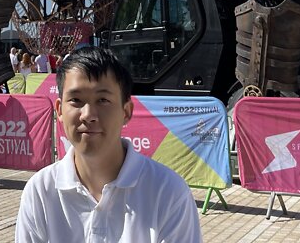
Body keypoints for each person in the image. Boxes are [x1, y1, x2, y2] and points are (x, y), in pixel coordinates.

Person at [14, 47, 201, 242]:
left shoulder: (168, 192)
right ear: (60, 110)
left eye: (103, 100)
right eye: (76, 100)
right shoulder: (40, 191)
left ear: (126, 111)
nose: (87, 115)